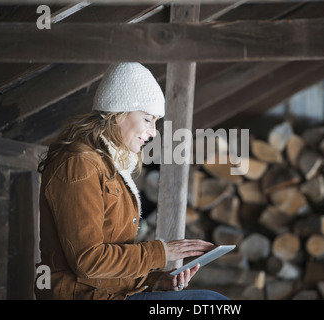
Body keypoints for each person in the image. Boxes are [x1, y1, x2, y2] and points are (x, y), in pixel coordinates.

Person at [34, 62, 229, 300]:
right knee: (211, 302)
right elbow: (88, 261)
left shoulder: (108, 165)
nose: (153, 131)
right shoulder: (79, 165)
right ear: (118, 114)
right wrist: (162, 252)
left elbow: (108, 263)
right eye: (148, 119)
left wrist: (156, 281)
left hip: (111, 294)